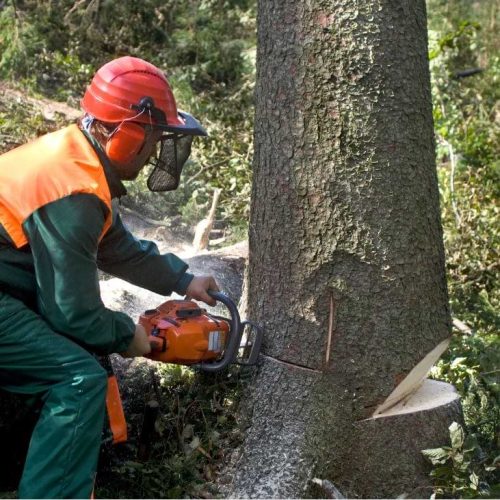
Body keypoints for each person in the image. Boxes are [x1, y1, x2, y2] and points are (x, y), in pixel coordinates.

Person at [0, 56, 219, 498]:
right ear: (129, 132)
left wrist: (183, 279)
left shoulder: (76, 161)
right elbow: (73, 313)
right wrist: (128, 335)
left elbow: (116, 246)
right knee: (79, 380)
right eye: (155, 138)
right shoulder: (74, 190)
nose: (157, 151)